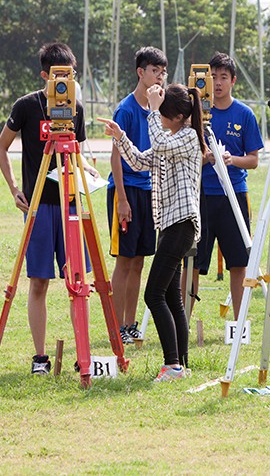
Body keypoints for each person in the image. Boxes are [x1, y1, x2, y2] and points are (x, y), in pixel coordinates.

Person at [0, 42, 99, 375]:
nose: (65, 81)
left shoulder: (77, 110)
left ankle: (82, 352)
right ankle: (40, 357)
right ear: (45, 75)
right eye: (59, 75)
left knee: (77, 281)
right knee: (39, 281)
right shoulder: (26, 106)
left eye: (70, 74)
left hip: (70, 203)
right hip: (39, 206)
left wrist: (91, 171)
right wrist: (14, 189)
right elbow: (1, 148)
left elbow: (79, 152)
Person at [99, 83, 205, 382]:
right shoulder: (170, 137)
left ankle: (172, 365)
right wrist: (120, 137)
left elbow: (158, 144)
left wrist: (152, 110)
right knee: (171, 297)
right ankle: (180, 364)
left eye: (164, 114)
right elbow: (141, 161)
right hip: (169, 225)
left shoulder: (189, 137)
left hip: (181, 224)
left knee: (153, 294)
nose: (159, 118)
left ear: (180, 115)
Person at [190, 52, 263, 320]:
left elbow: (254, 160)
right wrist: (204, 158)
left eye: (223, 77)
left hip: (235, 196)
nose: (218, 83)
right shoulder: (195, 112)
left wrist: (233, 160)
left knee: (238, 264)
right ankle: (183, 322)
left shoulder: (244, 114)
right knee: (193, 264)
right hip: (202, 197)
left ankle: (239, 322)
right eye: (213, 77)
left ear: (233, 81)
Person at [106, 46, 167, 346]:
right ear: (140, 72)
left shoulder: (157, 110)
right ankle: (115, 326)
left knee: (140, 261)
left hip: (148, 190)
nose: (159, 76)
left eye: (162, 71)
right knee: (124, 260)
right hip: (126, 189)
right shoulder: (126, 109)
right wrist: (121, 199)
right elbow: (115, 157)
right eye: (154, 70)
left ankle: (130, 324)